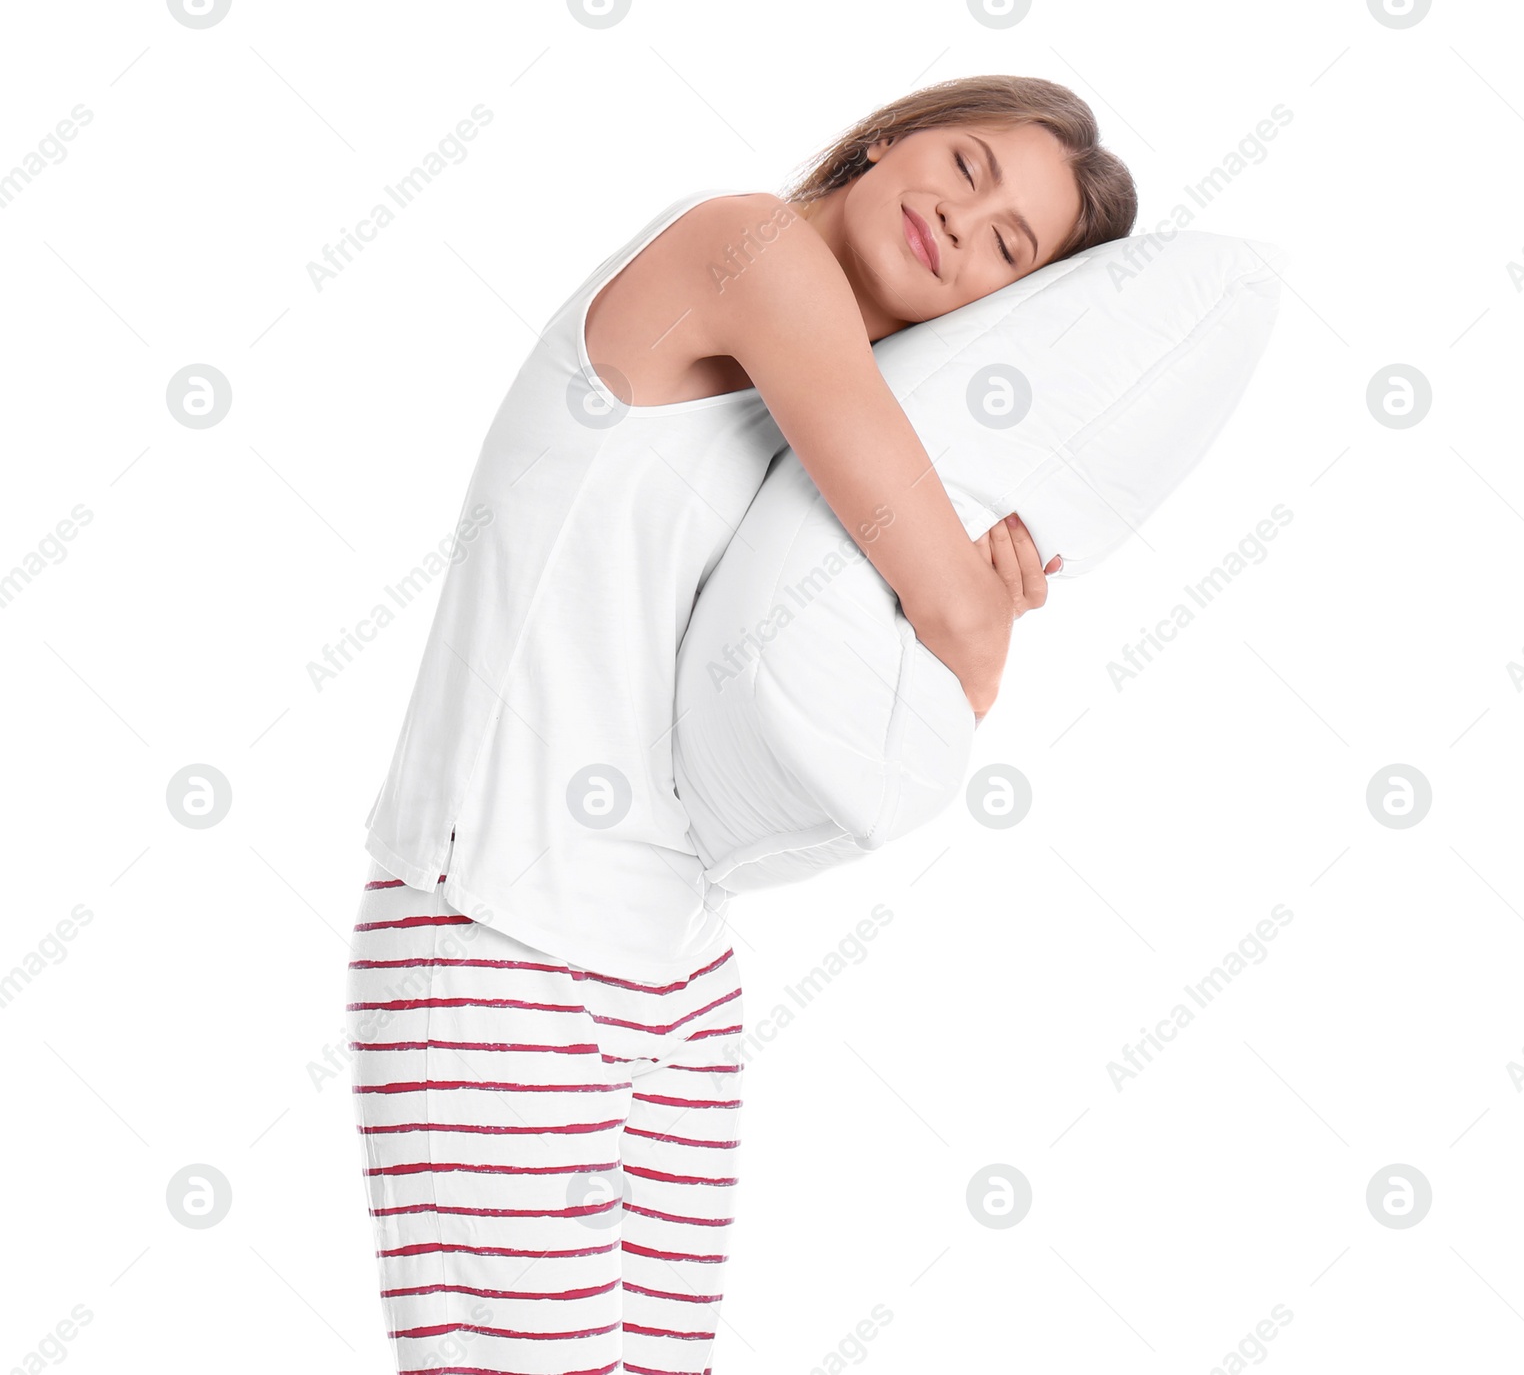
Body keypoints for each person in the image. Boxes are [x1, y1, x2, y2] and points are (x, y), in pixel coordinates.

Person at [346, 73, 1137, 1372]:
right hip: (494, 932)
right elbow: (950, 613)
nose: (960, 214)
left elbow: (891, 691)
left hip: (679, 966)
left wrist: (966, 630)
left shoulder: (830, 430)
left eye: (1011, 245)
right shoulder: (744, 245)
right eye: (967, 162)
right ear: (893, 136)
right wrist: (973, 630)